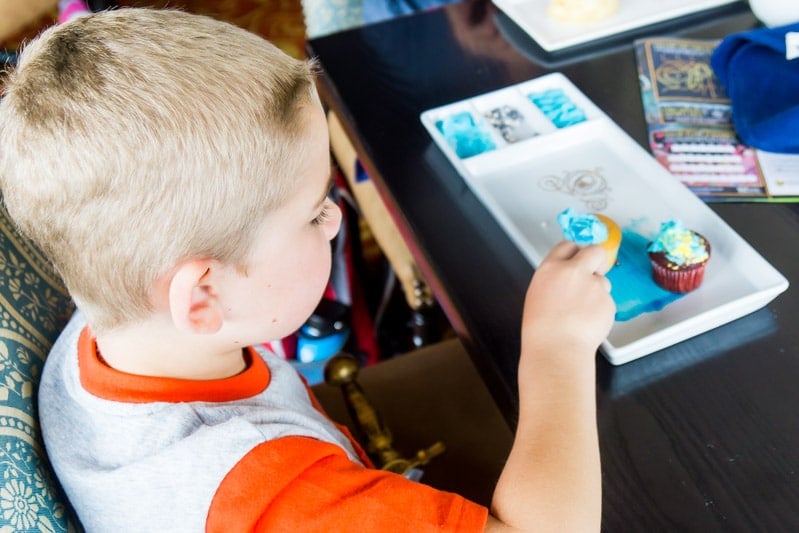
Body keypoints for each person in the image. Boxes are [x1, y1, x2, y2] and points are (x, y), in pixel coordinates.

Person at [0, 8, 615, 532]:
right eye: (314, 212)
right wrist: (554, 349)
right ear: (203, 294)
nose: (337, 221)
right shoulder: (273, 498)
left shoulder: (118, 311)